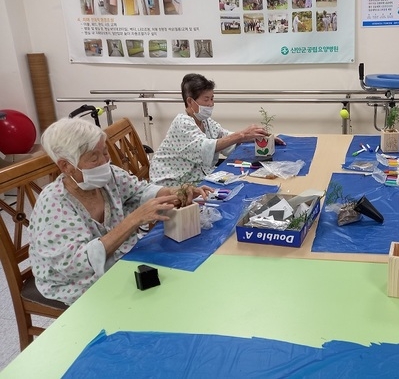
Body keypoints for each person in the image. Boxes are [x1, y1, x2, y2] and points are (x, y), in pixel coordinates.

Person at [28, 118, 212, 305]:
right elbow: (77, 265)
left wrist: (173, 192)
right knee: (153, 301)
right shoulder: (55, 204)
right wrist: (134, 220)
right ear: (66, 166)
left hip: (119, 258)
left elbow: (140, 191)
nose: (104, 161)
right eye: (94, 157)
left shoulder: (109, 177)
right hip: (75, 281)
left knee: (180, 278)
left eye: (105, 152)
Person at [150, 73, 285, 186]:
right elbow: (206, 147)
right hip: (173, 183)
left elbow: (225, 136)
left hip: (197, 176)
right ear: (190, 102)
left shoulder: (205, 121)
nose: (211, 104)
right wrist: (243, 134)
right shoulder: (182, 123)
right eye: (206, 99)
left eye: (212, 98)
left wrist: (257, 137)